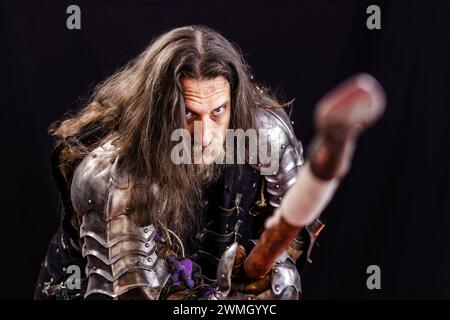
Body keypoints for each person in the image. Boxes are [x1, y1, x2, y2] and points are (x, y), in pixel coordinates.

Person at [35, 25, 384, 300]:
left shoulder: (264, 137)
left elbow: (292, 242)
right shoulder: (114, 173)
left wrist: (267, 274)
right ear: (161, 112)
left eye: (217, 112)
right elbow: (131, 294)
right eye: (188, 114)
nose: (204, 135)